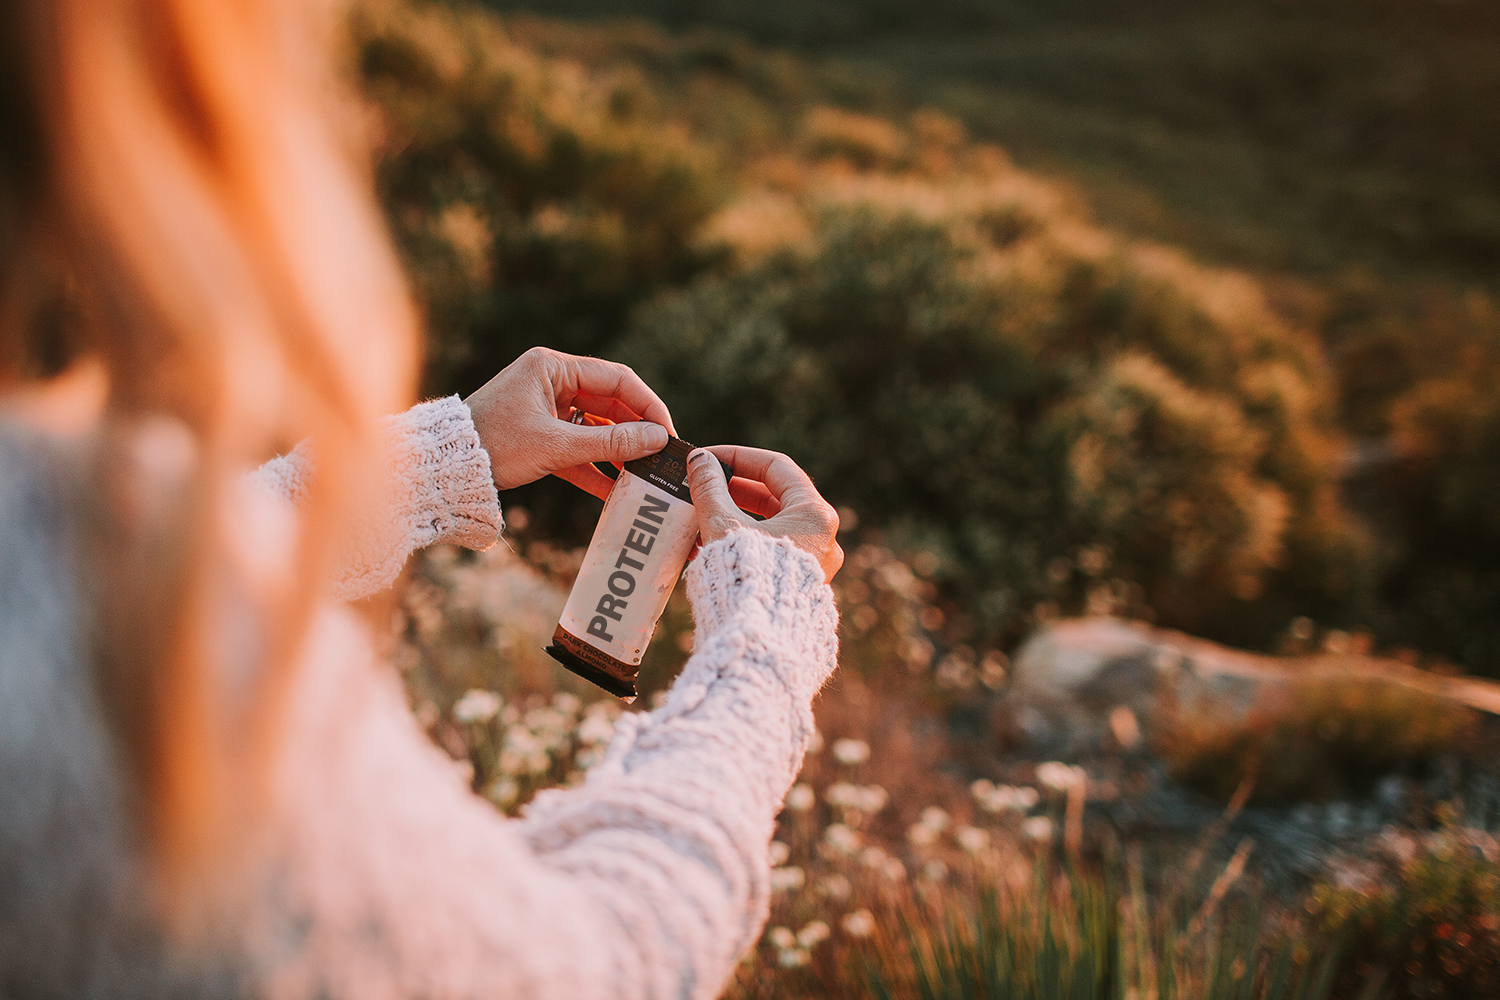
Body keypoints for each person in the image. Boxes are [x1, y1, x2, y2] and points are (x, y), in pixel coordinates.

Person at [0, 1, 842, 997]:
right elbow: (596, 972)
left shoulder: (76, 558)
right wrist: (769, 635)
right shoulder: (133, 619)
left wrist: (449, 454)